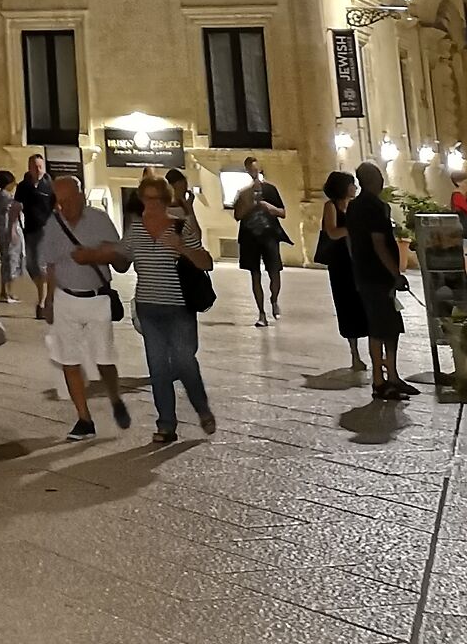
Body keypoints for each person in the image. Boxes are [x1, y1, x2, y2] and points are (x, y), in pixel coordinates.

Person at [122, 170, 215, 445]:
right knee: (158, 369)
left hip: (178, 307)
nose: (152, 205)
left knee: (185, 363)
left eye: (157, 199)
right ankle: (166, 425)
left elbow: (206, 262)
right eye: (147, 199)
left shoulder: (180, 226)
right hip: (149, 308)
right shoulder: (136, 229)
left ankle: (202, 409)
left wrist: (182, 249)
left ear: (165, 200)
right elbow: (121, 261)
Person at [38, 173, 133, 438]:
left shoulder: (99, 220)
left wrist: (96, 254)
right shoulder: (54, 224)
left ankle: (115, 397)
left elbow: (122, 259)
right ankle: (84, 419)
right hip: (66, 297)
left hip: (97, 298)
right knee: (68, 360)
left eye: (68, 200)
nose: (63, 206)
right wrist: (49, 299)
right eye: (59, 201)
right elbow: (51, 263)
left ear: (80, 197)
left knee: (104, 359)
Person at [346, 160, 416, 401]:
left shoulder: (353, 207)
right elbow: (379, 243)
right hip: (378, 276)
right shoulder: (374, 207)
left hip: (365, 274)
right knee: (381, 326)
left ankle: (392, 376)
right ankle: (380, 380)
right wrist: (395, 274)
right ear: (374, 180)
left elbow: (351, 241)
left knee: (389, 325)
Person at [316, 170, 369, 372]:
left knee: (363, 304)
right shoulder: (331, 206)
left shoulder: (356, 206)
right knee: (347, 305)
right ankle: (354, 353)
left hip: (357, 260)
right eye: (351, 184)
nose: (355, 188)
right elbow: (332, 231)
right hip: (341, 262)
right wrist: (353, 229)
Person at [235, 155, 288, 325]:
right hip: (250, 238)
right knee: (255, 275)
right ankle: (261, 313)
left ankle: (274, 299)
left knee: (275, 273)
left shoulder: (271, 190)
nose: (254, 172)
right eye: (251, 169)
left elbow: (283, 212)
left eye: (256, 169)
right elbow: (237, 215)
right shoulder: (243, 193)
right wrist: (250, 205)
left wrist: (269, 207)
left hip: (269, 236)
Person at [16, 154, 57, 322]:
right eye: (35, 166)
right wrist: (14, 227)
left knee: (39, 265)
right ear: (29, 167)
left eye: (40, 166)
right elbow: (17, 207)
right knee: (30, 265)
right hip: (30, 229)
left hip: (45, 229)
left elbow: (57, 206)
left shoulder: (50, 185)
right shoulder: (23, 186)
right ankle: (49, 290)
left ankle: (42, 302)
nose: (38, 169)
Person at [0, 170, 25, 302]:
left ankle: (4, 291)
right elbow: (14, 214)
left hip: (1, 230)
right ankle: (9, 291)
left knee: (5, 260)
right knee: (12, 260)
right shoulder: (8, 199)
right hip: (11, 231)